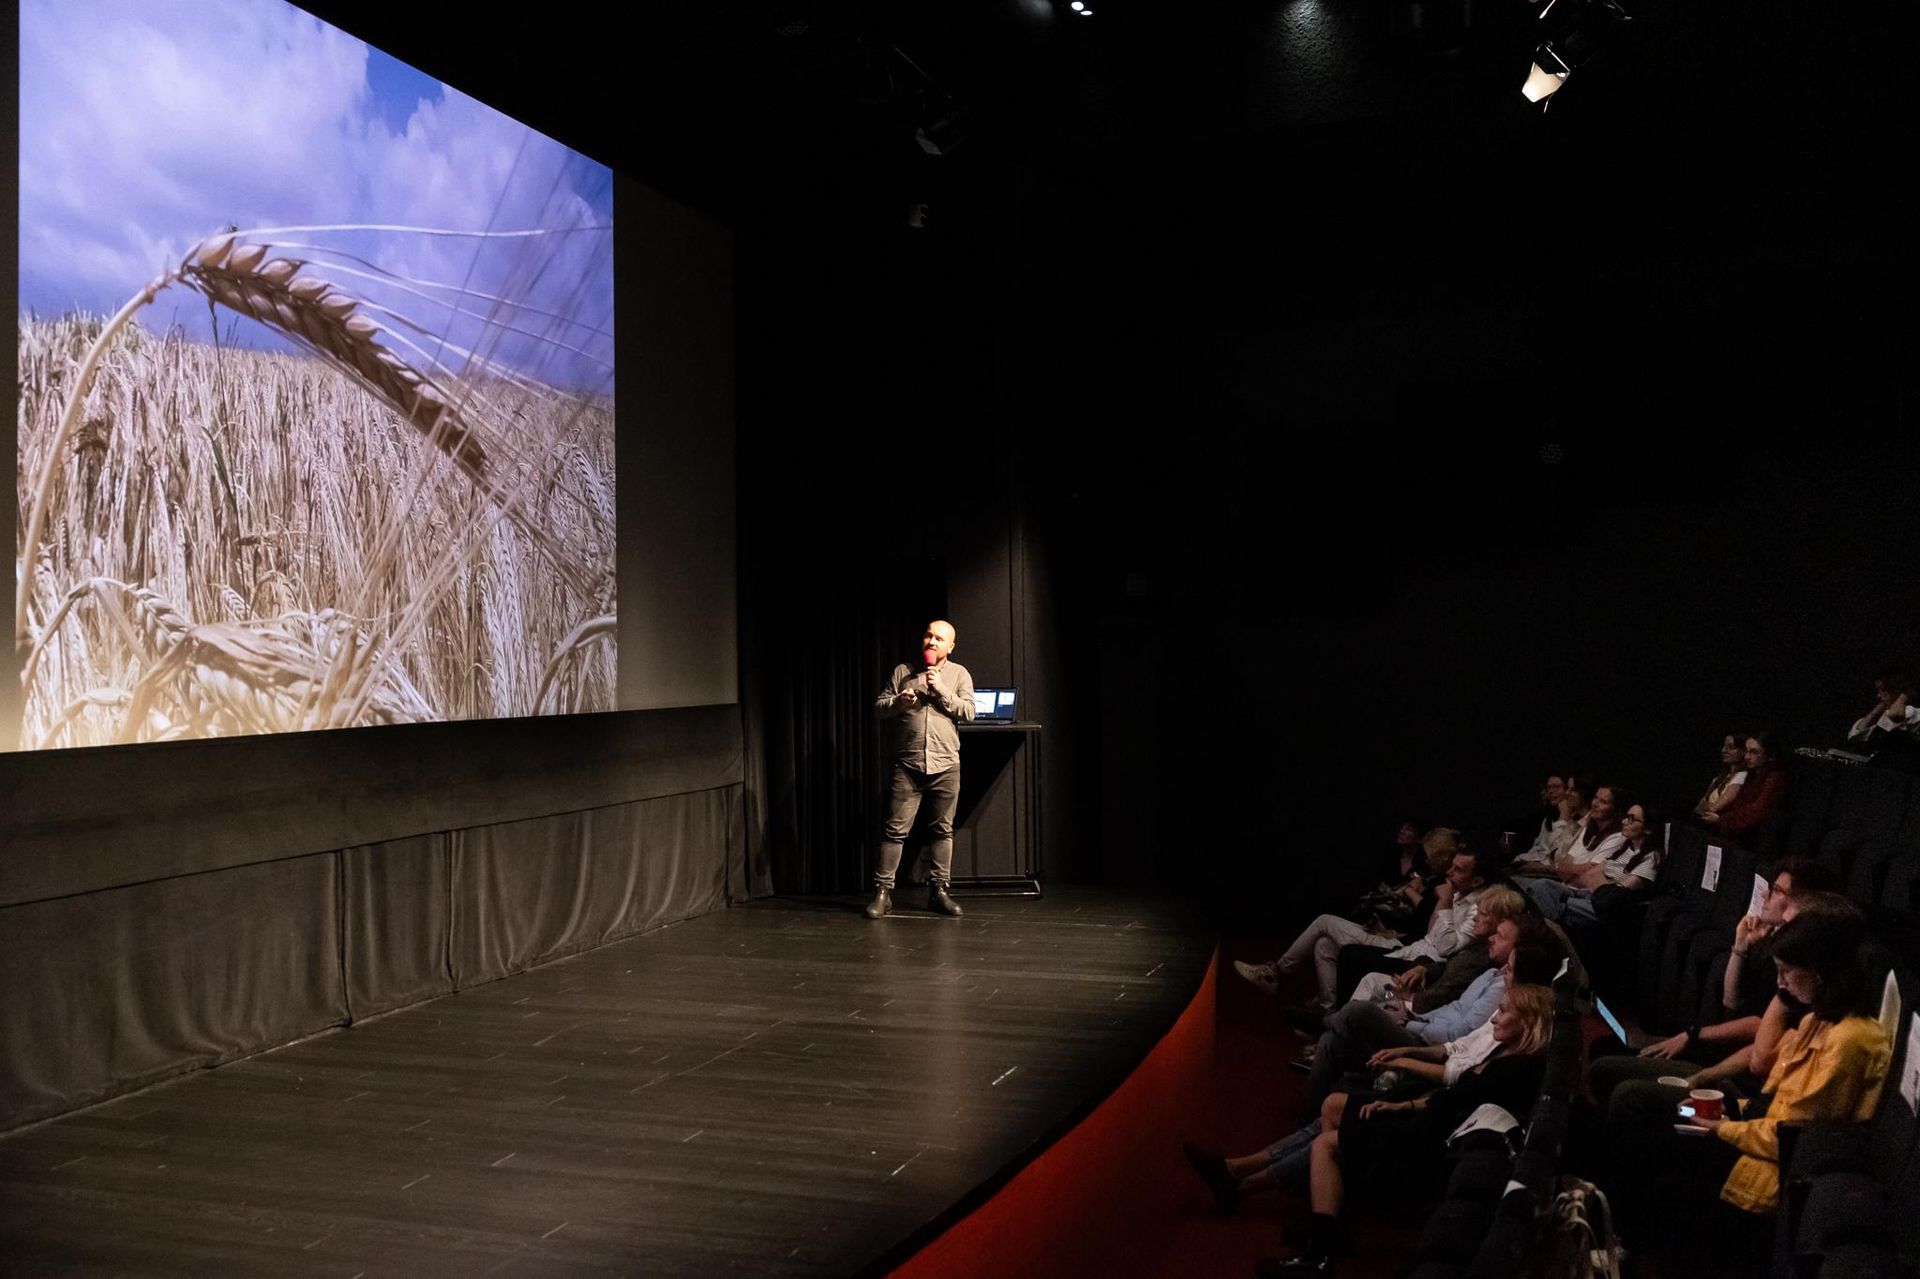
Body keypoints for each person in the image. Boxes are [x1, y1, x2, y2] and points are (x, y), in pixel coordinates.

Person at [1614, 911, 1892, 1262]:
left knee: (1655, 1155)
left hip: (1765, 1176)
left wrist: (1722, 1127)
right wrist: (1729, 1112)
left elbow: (1793, 1136)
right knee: (1652, 1124)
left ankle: (1618, 1239)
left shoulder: (1850, 1041)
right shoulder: (1815, 1020)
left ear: (1819, 972)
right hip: (1750, 1133)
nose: (1780, 982)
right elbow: (1772, 1100)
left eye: (1786, 971)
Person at [1256, 985, 1558, 1275]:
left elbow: (1453, 1100)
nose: (1493, 1018)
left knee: (1325, 1144)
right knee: (1335, 1106)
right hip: (1433, 1124)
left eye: (1503, 1012)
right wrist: (1401, 1105)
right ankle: (1328, 1219)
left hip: (1433, 1139)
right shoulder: (1509, 1055)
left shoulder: (1515, 1069)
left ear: (1529, 1022)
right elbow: (1453, 1096)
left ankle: (1318, 1255)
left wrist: (1403, 1102)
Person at [1232, 828, 1463, 1008]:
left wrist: (1410, 891)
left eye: (1429, 855)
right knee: (1324, 944)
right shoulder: (1433, 880)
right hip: (1397, 937)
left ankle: (1275, 972)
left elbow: (1427, 925)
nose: (1425, 860)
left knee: (1324, 921)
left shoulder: (1445, 889)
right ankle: (1327, 1009)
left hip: (1403, 947)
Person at [864, 620, 975, 920]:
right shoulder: (903, 672)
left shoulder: (959, 674)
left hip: (946, 765)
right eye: (928, 635)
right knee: (894, 830)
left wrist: (940, 690)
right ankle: (883, 893)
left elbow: (969, 712)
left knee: (942, 830)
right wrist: (899, 702)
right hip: (908, 764)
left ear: (950, 646)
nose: (931, 641)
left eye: (939, 638)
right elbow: (878, 708)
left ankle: (939, 891)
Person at [1521, 794, 1658, 924]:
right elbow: (1589, 874)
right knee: (1541, 886)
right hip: (1585, 893)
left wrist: (1598, 880)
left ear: (1648, 829)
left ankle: (1549, 933)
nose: (1624, 821)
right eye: (1626, 817)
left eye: (1632, 819)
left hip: (1604, 907)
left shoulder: (1650, 858)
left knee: (1549, 902)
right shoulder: (1624, 849)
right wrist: (1600, 880)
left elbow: (1616, 896)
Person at [1699, 732, 1787, 840]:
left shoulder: (1774, 779)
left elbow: (1755, 813)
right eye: (1746, 751)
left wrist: (1721, 820)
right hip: (1739, 833)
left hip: (1754, 839)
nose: (1747, 757)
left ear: (1770, 755)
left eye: (1754, 752)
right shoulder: (1752, 775)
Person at [1848, 667, 1918, 746]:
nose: (1878, 695)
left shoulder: (1912, 711)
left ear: (1896, 689)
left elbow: (1895, 715)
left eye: (1883, 690)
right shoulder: (1892, 712)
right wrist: (1878, 709)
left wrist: (1903, 697)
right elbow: (1855, 735)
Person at [1693, 733, 1749, 817]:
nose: (1724, 750)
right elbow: (1699, 808)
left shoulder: (1741, 776)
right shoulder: (1720, 778)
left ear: (1743, 751)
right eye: (1724, 746)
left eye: (1731, 747)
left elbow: (1715, 808)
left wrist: (1707, 807)